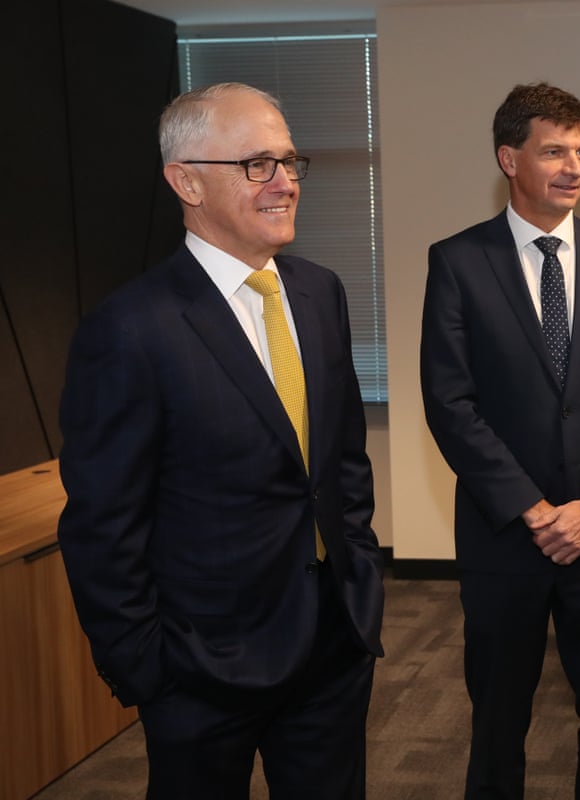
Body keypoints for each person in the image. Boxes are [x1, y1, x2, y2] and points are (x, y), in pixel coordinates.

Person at [56, 82, 386, 799]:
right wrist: (150, 670)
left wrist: (358, 577)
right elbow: (102, 526)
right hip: (202, 672)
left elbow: (340, 463)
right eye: (257, 164)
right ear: (187, 181)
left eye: (291, 161)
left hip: (332, 643)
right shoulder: (130, 328)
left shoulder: (320, 292)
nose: (287, 181)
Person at [420, 82, 580, 800]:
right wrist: (533, 510)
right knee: (499, 723)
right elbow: (451, 402)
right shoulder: (458, 262)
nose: (572, 166)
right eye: (553, 150)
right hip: (505, 543)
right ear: (509, 158)